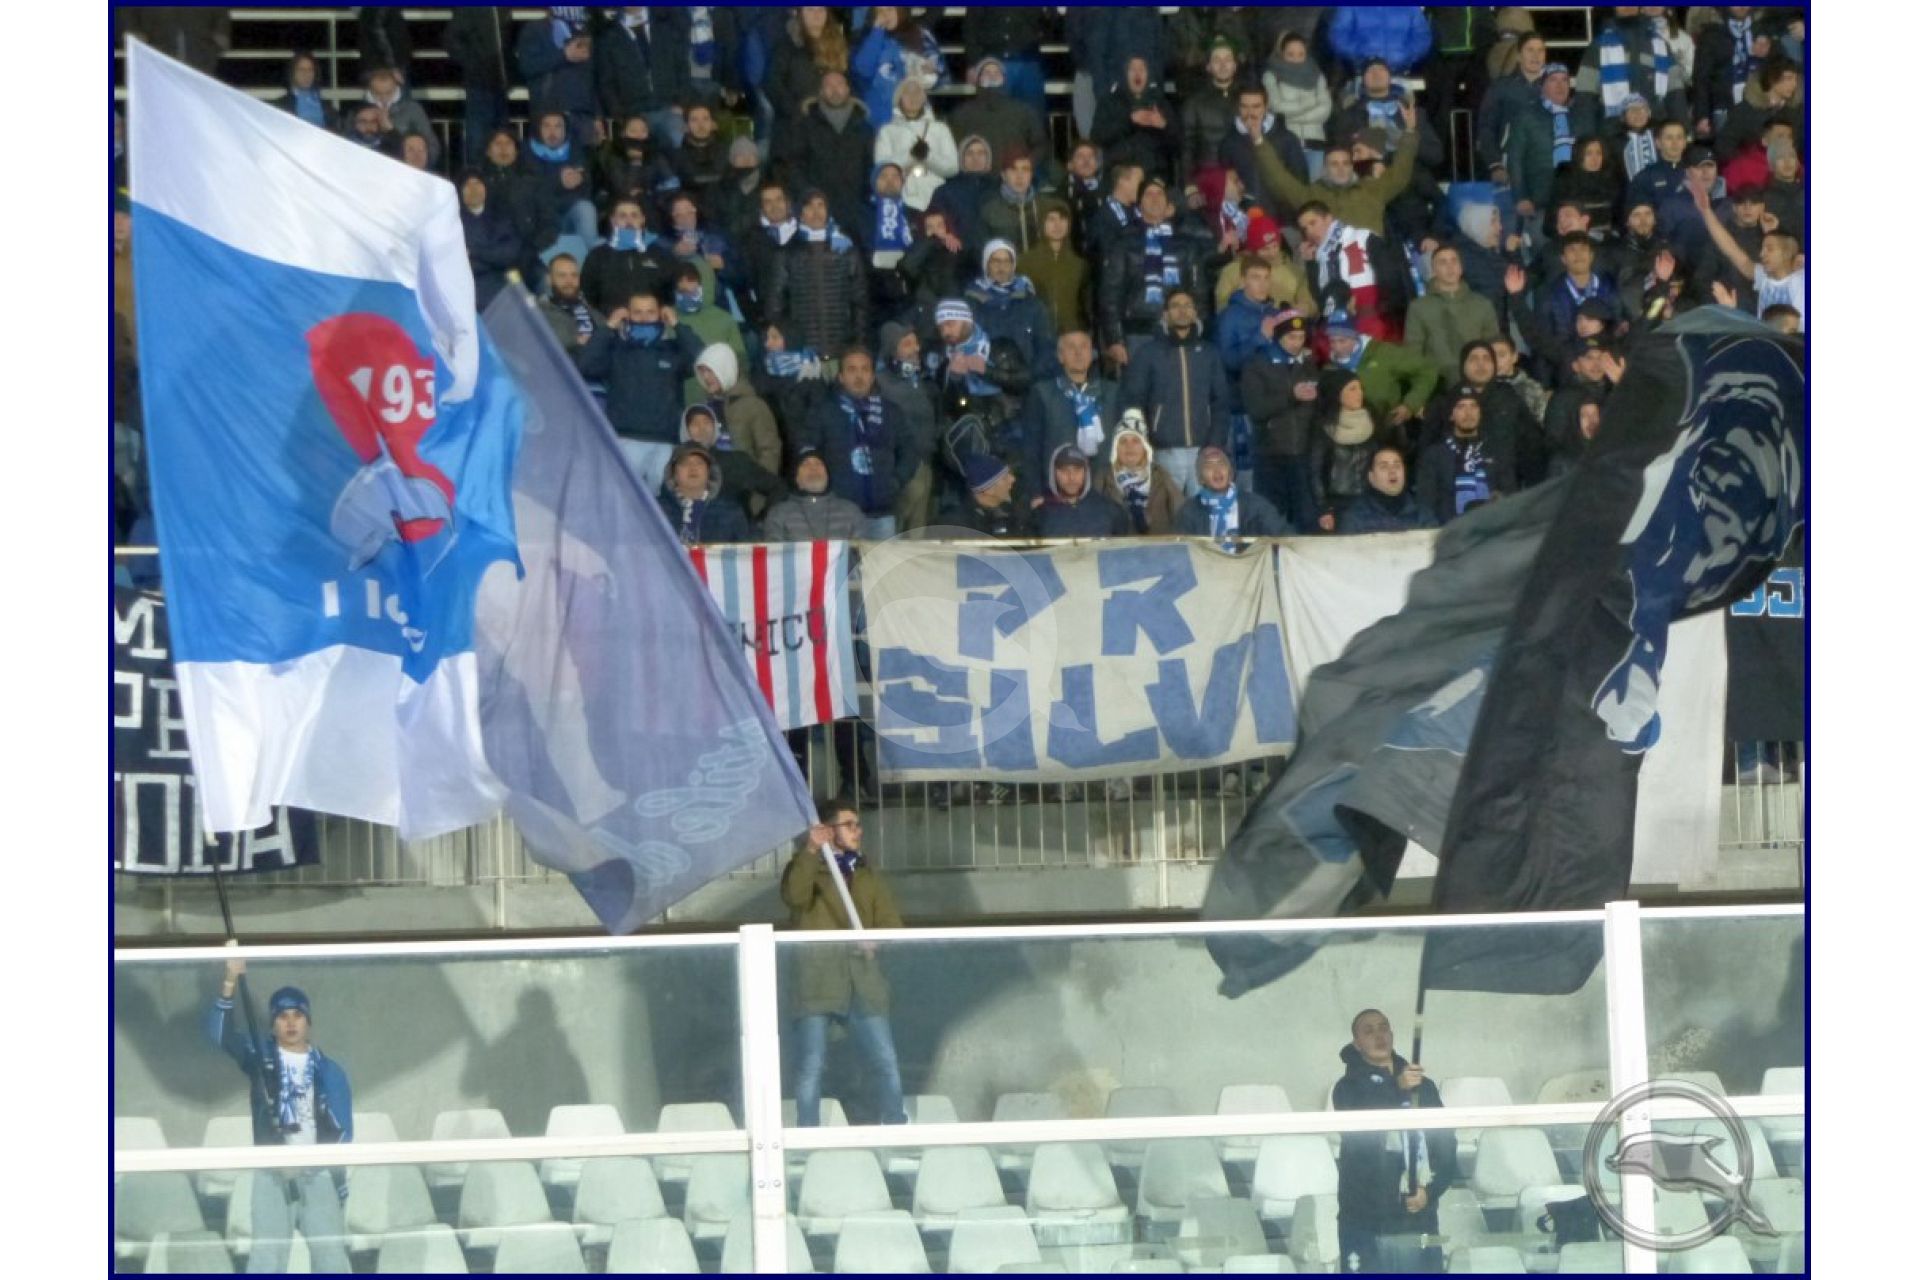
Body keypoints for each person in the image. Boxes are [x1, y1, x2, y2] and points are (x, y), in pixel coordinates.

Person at [206, 962, 354, 1274]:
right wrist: (230, 981)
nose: (290, 1023)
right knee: (267, 1261)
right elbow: (219, 1034)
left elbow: (344, 1132)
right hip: (271, 1175)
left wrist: (326, 1173)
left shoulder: (329, 1070)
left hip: (318, 1175)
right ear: (273, 1023)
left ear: (308, 1022)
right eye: (282, 1016)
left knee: (332, 1262)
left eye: (297, 1015)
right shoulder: (259, 1056)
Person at [1331, 1008, 1458, 1274]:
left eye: (1383, 1028)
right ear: (1357, 1043)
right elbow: (1362, 1135)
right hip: (1365, 1219)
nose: (1379, 1035)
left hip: (1417, 1217)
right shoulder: (1347, 1088)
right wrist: (1395, 1089)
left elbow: (1445, 1144)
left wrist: (1429, 1191)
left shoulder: (1424, 1087)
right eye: (1369, 1031)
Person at [579, 291, 705, 493]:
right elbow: (584, 366)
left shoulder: (673, 350)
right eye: (637, 312)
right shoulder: (616, 350)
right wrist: (609, 326)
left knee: (666, 506)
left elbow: (703, 359)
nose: (644, 318)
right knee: (623, 501)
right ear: (626, 315)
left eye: (650, 312)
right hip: (623, 440)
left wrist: (677, 325)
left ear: (661, 314)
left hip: (666, 444)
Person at [1120, 289, 1233, 496]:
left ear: (1195, 312)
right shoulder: (1148, 353)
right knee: (1168, 512)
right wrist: (1145, 444)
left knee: (1204, 510)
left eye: (1188, 305)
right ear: (1165, 314)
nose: (1182, 310)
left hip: (1203, 450)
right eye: (1175, 306)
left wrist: (1215, 443)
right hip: (1164, 452)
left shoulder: (1209, 353)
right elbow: (1134, 401)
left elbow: (1221, 402)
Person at [1247, 104, 1421, 238]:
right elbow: (1278, 179)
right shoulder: (1311, 196)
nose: (1341, 168)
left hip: (1371, 263)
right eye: (1334, 164)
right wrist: (1259, 141)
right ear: (1325, 168)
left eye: (1346, 163)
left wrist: (1409, 131)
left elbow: (1400, 172)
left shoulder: (1373, 189)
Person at [797, 348, 911, 539]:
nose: (859, 376)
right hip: (837, 514)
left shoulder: (891, 412)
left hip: (882, 513)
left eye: (865, 369)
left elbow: (909, 450)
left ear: (872, 376)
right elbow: (809, 451)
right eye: (852, 369)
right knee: (842, 560)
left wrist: (896, 481)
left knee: (882, 560)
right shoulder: (823, 412)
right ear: (841, 377)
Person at [1098, 178, 1212, 367]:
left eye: (1160, 194)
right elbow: (1111, 293)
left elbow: (1198, 291)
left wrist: (1198, 329)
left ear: (1168, 204)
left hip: (1178, 328)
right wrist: (1114, 339)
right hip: (1137, 331)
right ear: (1139, 204)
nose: (1155, 198)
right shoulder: (1124, 243)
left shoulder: (1186, 244)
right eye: (1148, 194)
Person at [765, 189, 869, 362]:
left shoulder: (846, 250)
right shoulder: (787, 253)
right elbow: (776, 306)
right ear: (800, 213)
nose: (816, 212)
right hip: (803, 353)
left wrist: (859, 343)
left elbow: (860, 301)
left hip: (843, 350)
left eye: (821, 205)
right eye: (809, 206)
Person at [1241, 308, 1321, 529]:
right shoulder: (1257, 364)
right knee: (1271, 520)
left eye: (1301, 337)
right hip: (1271, 455)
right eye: (1291, 337)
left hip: (1303, 453)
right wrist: (1291, 396)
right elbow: (1256, 408)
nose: (1297, 343)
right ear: (1278, 336)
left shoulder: (1308, 363)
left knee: (1306, 519)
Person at [776, 70, 877, 243]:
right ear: (821, 92)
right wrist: (809, 197)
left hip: (857, 213)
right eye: (829, 86)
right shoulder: (804, 126)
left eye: (839, 85)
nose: (835, 90)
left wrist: (865, 200)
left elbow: (871, 167)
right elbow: (794, 164)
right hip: (818, 214)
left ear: (848, 89)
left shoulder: (864, 127)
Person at [1691, 181, 1805, 320]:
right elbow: (1732, 251)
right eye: (1763, 248)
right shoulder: (1763, 277)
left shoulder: (1801, 278)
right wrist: (1706, 212)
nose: (1762, 254)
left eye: (1769, 249)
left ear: (1787, 253)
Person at [1022, 331, 1122, 485]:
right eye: (1071, 347)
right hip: (1058, 485)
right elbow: (1032, 447)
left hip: (1103, 484)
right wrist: (1035, 491)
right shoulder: (1042, 393)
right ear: (1060, 356)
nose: (1078, 353)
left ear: (1092, 354)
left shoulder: (1111, 392)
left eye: (1084, 347)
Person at [1322, 312, 1438, 433]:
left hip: (1387, 430)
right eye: (1332, 342)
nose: (1337, 347)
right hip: (1347, 432)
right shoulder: (1330, 368)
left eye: (1342, 341)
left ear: (1355, 336)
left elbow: (1426, 370)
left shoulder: (1383, 354)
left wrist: (1410, 404)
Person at [693, 343, 783, 499]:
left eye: (710, 371)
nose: (706, 377)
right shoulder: (703, 409)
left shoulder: (754, 406)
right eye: (702, 371)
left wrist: (760, 495)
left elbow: (769, 451)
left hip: (746, 495)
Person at [950, 56, 1053, 192]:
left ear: (1004, 79)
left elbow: (1040, 143)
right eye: (987, 72)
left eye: (996, 73)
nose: (992, 76)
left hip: (1013, 182)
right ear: (978, 79)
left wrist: (1025, 165)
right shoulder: (962, 113)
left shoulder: (1023, 110)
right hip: (976, 184)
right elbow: (954, 148)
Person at [1402, 245, 1500, 388]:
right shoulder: (1419, 307)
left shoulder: (1482, 304)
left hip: (1477, 384)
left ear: (1461, 267)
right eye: (1443, 262)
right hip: (1436, 385)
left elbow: (1492, 348)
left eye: (1454, 261)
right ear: (1434, 270)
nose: (1450, 267)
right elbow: (1413, 352)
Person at [875, 321, 939, 533]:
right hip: (902, 467)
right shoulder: (880, 384)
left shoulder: (921, 380)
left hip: (925, 461)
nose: (916, 349)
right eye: (907, 344)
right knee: (898, 524)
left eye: (916, 343)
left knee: (918, 529)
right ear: (892, 349)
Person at [1417, 389, 1515, 525]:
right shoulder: (1435, 455)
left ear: (1480, 413)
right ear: (1451, 415)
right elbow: (1426, 501)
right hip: (1449, 529)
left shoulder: (1497, 451)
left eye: (1473, 406)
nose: (1468, 413)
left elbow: (1510, 493)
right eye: (1461, 406)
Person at [680, 403, 784, 523]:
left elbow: (777, 488)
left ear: (715, 427)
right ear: (685, 430)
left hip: (735, 532)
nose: (701, 428)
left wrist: (759, 521)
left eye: (706, 422)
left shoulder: (736, 461)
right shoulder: (676, 466)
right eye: (695, 424)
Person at [1309, 369, 1386, 531]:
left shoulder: (1374, 422)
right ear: (1338, 394)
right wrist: (1323, 508)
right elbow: (1315, 471)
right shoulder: (1324, 428)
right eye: (1352, 389)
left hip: (1371, 501)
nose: (1359, 394)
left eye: (1360, 388)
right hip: (1338, 505)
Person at [1090, 56, 1183, 188]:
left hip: (1154, 176)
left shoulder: (1161, 103)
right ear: (1124, 75)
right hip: (1119, 174)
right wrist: (1129, 121)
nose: (1137, 73)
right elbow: (1097, 137)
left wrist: (1164, 126)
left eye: (1142, 69)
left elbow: (1178, 146)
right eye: (1132, 69)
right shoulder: (1108, 102)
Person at [1174, 444, 1292, 544]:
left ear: (1230, 473)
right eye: (1209, 466)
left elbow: (1286, 537)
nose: (1217, 471)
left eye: (1221, 464)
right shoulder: (1188, 512)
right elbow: (1179, 551)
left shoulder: (1255, 506)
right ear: (1200, 478)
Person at [850, 6, 948, 125]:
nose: (885, 15)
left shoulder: (920, 34)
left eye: (890, 9)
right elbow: (863, 71)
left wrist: (930, 72)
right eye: (880, 11)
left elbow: (942, 77)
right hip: (879, 120)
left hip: (914, 116)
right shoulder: (864, 39)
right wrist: (876, 32)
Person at [874, 78, 958, 213]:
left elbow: (952, 167)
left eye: (917, 93)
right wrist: (911, 155)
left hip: (936, 197)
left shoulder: (940, 129)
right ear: (899, 98)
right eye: (908, 93)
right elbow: (881, 167)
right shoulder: (887, 131)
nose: (913, 97)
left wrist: (928, 157)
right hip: (903, 198)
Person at [581, 196, 673, 315]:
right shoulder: (597, 256)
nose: (629, 221)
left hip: (652, 321)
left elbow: (669, 294)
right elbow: (588, 295)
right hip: (610, 322)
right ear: (613, 220)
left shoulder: (659, 254)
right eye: (622, 216)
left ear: (642, 220)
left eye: (634, 216)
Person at [1097, 416, 1184, 536]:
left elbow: (1181, 514)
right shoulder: (1103, 477)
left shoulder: (1160, 475)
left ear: (1145, 447)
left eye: (1136, 441)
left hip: (1157, 545)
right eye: (1123, 441)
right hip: (1118, 545)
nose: (1129, 446)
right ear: (1115, 447)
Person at [1264, 31, 1334, 180]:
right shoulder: (1271, 76)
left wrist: (1293, 116)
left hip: (1315, 143)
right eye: (1290, 54)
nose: (1296, 59)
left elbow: (1325, 109)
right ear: (1282, 54)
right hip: (1286, 144)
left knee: (1313, 189)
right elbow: (1276, 107)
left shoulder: (1317, 75)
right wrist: (1310, 103)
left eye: (1301, 54)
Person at [761, 447, 868, 541]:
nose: (813, 468)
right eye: (805, 464)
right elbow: (774, 552)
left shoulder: (851, 511)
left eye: (818, 463)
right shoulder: (779, 513)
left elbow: (862, 552)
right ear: (796, 478)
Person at [657, 440, 751, 546]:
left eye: (699, 463)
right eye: (685, 463)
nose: (693, 468)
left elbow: (746, 551)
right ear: (673, 473)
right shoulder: (656, 510)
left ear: (709, 472)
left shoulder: (731, 511)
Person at [1020, 203, 1089, 337]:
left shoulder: (1079, 265)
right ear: (1042, 223)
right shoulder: (1025, 263)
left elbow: (1085, 307)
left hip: (1071, 337)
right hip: (1038, 336)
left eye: (1062, 219)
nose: (1057, 225)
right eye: (1051, 219)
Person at [1034, 445, 1132, 538]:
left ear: (1086, 472)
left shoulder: (1110, 510)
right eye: (1064, 470)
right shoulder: (1040, 513)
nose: (1071, 477)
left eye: (1077, 470)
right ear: (1053, 473)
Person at [1337, 445, 1435, 534]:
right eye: (1384, 467)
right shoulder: (1356, 516)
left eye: (1397, 466)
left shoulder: (1421, 512)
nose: (1392, 471)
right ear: (1371, 477)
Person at [954, 453, 1032, 539]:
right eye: (1004, 478)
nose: (1012, 479)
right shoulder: (960, 524)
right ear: (988, 490)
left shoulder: (1015, 510)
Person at [275, 52, 336, 131]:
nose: (306, 74)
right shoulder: (281, 106)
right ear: (293, 73)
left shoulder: (326, 107)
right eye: (301, 70)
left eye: (310, 70)